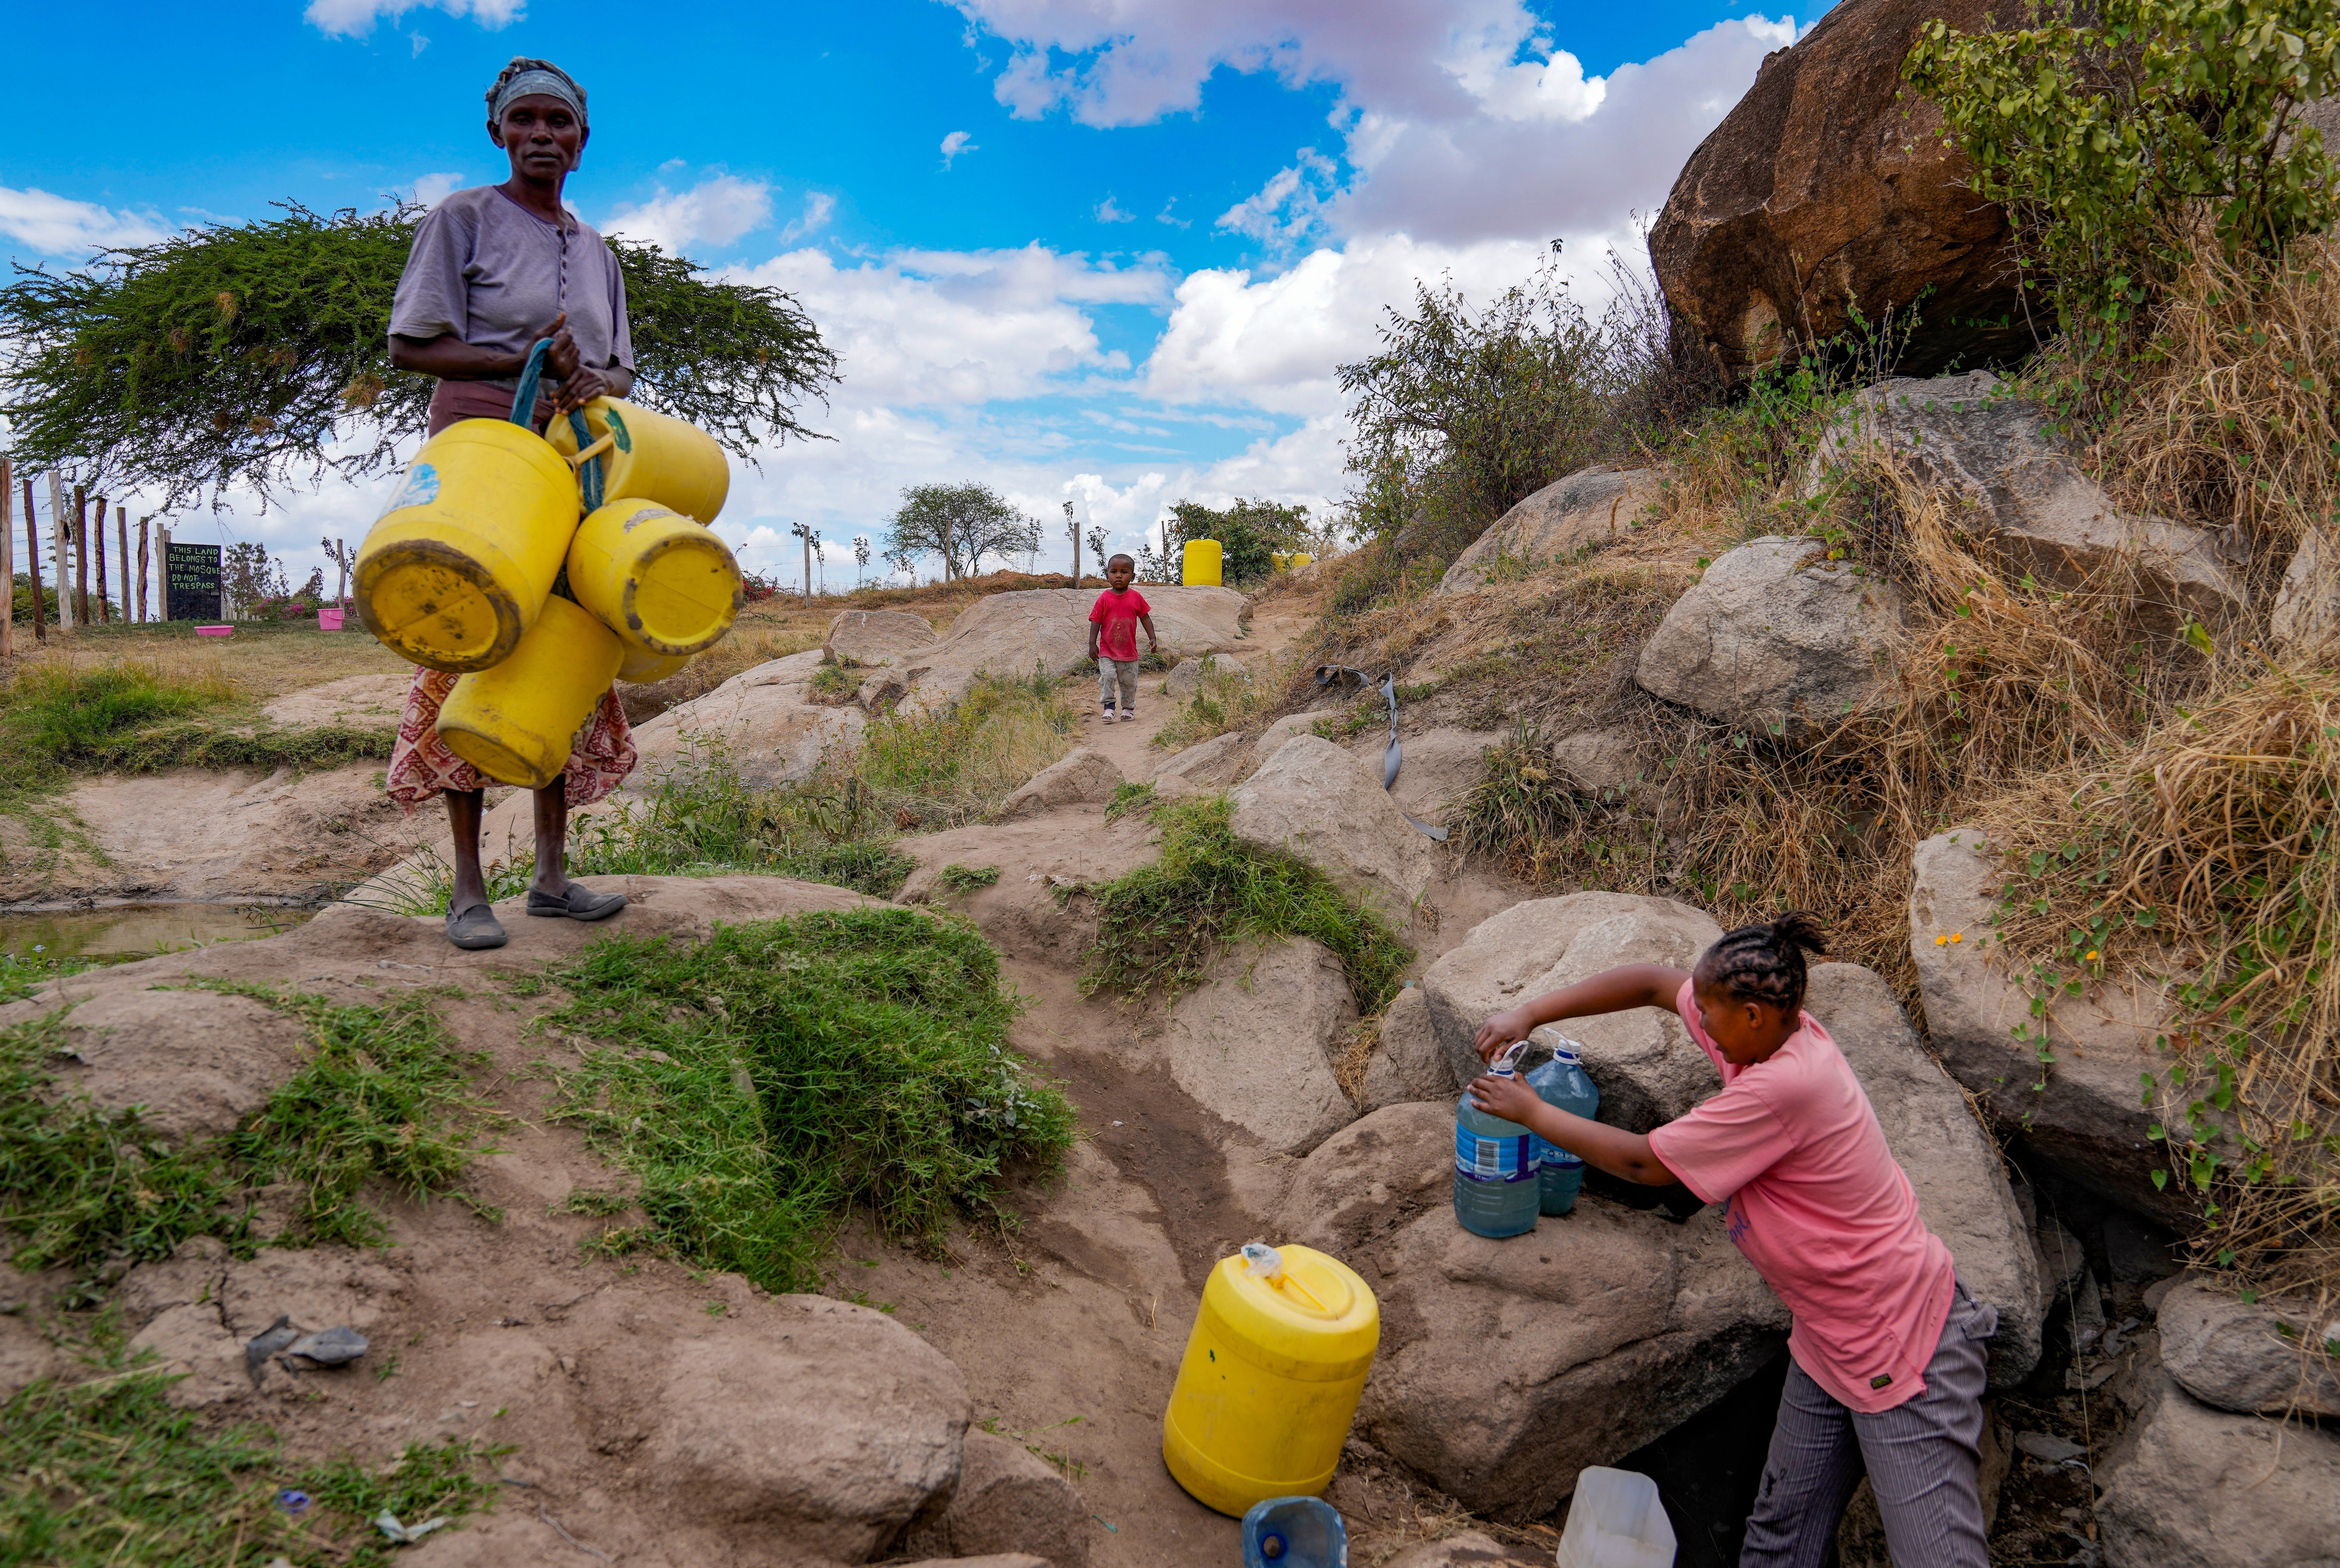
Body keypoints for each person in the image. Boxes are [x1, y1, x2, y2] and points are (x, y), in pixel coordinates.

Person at [1466, 913, 1995, 1568]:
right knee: (1780, 1535)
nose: (1701, 1024)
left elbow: (1645, 1165)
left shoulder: (1786, 1086)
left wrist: (1533, 1112)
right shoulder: (1761, 1038)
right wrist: (1531, 1012)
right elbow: (1654, 983)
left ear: (1751, 1015)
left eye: (1710, 1015)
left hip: (1901, 1342)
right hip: (1830, 1335)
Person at [383, 56, 637, 950]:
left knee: (555, 652)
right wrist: (524, 359)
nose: (541, 135)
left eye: (558, 122)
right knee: (469, 643)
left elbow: (620, 373)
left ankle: (552, 879)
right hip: (483, 460)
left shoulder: (599, 252)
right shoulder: (464, 219)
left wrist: (587, 380)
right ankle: (466, 889)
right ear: (497, 132)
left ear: (582, 141)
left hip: (569, 467)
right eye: (524, 120)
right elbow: (413, 344)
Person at [1087, 553, 1157, 724]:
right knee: (1108, 676)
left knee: (1129, 681)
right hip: (1107, 650)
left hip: (1128, 651)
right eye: (1114, 572)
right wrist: (1092, 643)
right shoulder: (1104, 598)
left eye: (1124, 572)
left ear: (1132, 577)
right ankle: (1109, 708)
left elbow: (1145, 618)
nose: (1119, 576)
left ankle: (1128, 709)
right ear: (1108, 576)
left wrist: (1153, 637)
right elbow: (1096, 621)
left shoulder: (1136, 597)